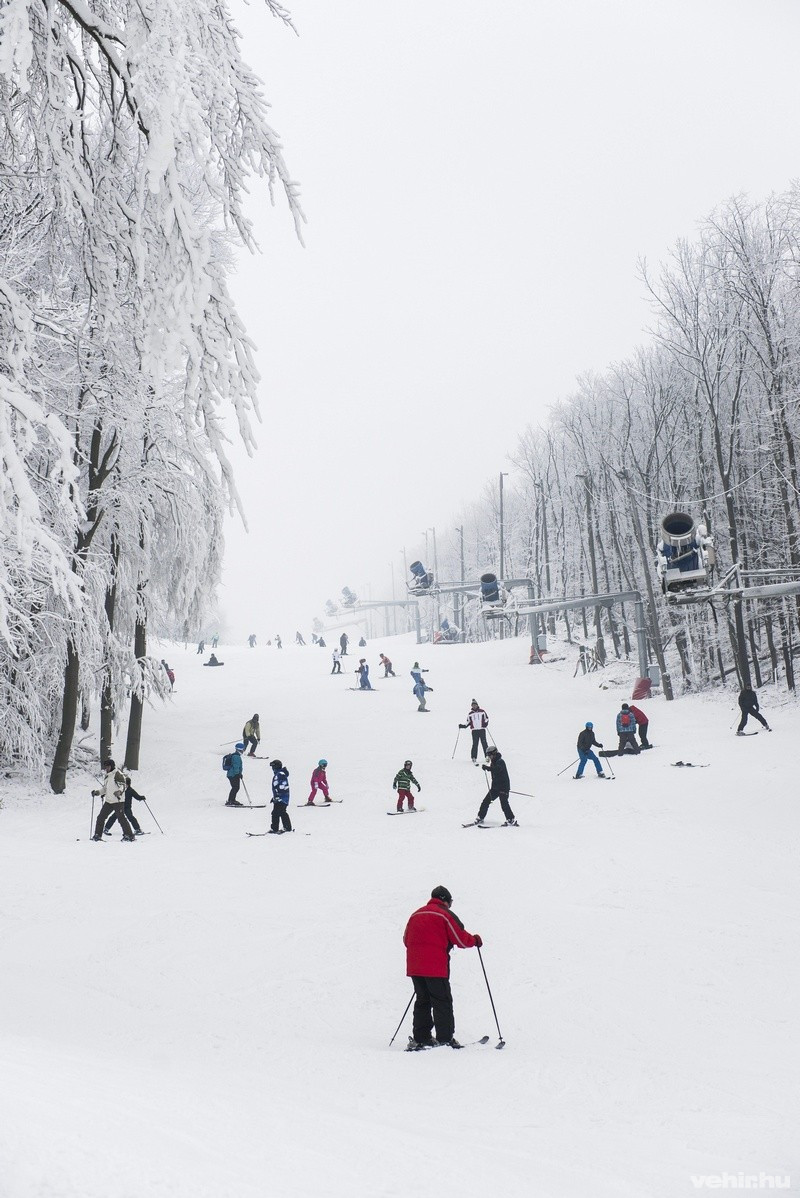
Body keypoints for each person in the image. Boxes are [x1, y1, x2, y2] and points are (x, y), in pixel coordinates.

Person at [403, 885, 482, 1049]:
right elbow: (460, 939)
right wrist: (474, 940)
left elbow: (406, 940)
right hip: (435, 967)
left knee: (422, 1000)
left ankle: (422, 1038)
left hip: (415, 966)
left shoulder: (416, 914)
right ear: (445, 900)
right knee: (442, 1001)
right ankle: (445, 1039)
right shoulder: (444, 914)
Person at [470, 746, 517, 826]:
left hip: (503, 787)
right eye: (488, 755)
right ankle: (480, 817)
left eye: (490, 755)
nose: (489, 757)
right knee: (485, 801)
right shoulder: (493, 762)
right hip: (495, 788)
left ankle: (511, 819)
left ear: (494, 753)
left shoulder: (500, 761)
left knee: (504, 803)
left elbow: (497, 769)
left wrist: (488, 768)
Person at [91, 759, 136, 842]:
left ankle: (130, 836)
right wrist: (97, 792)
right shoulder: (108, 776)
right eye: (105, 767)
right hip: (108, 801)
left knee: (121, 818)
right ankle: (97, 835)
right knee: (101, 817)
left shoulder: (117, 774)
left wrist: (119, 792)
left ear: (112, 766)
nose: (106, 768)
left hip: (118, 801)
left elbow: (123, 785)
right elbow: (105, 789)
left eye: (108, 766)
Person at [269, 759, 292, 833]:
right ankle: (275, 828)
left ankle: (287, 827)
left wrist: (279, 796)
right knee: (276, 813)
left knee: (281, 812)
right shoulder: (278, 774)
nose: (272, 769)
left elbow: (283, 786)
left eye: (273, 766)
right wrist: (275, 797)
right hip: (279, 798)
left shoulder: (280, 774)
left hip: (282, 798)